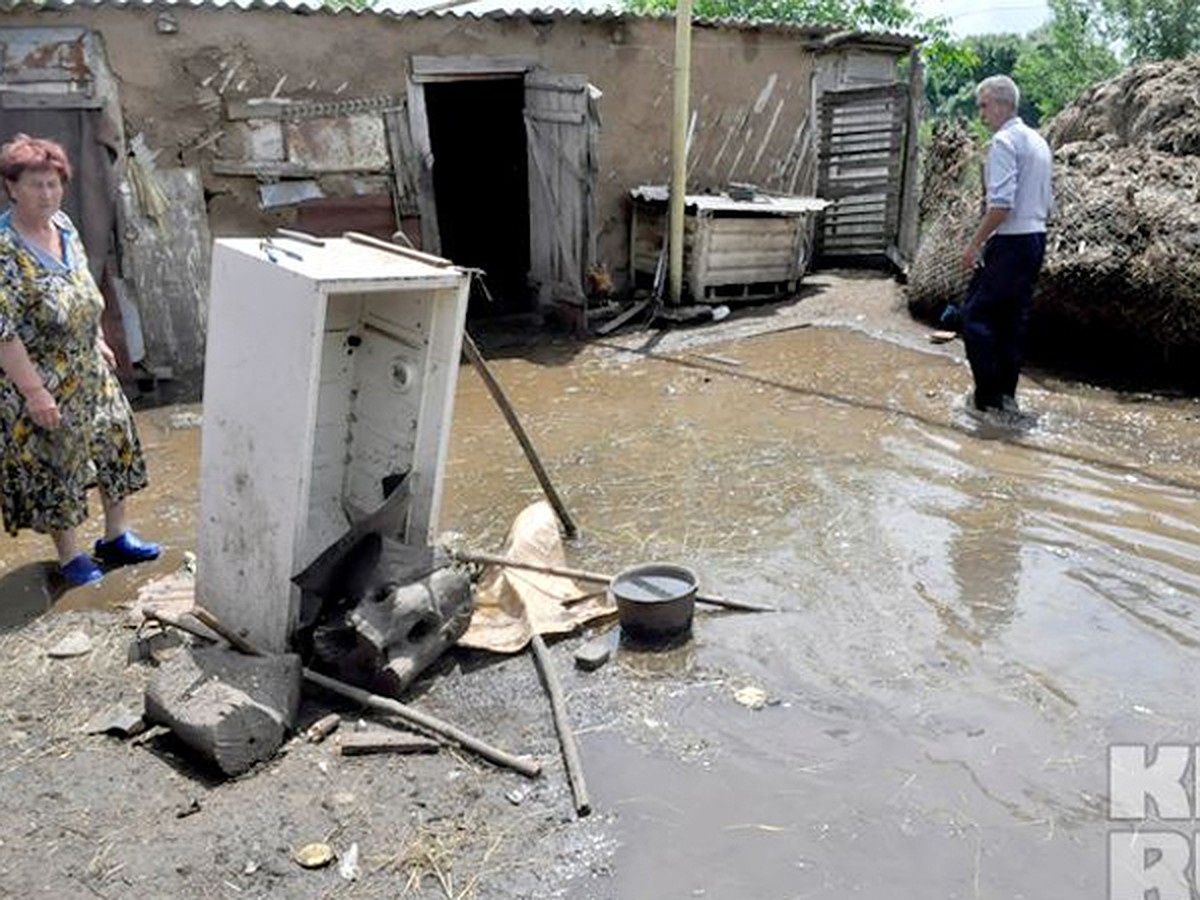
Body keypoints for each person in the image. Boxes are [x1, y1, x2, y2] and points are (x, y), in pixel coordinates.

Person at [0, 134, 159, 586]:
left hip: (87, 366)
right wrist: (34, 392)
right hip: (40, 376)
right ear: (12, 187)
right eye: (35, 185)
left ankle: (115, 537)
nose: (47, 193)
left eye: (53, 184)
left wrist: (97, 337)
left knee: (115, 444)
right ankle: (70, 557)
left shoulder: (64, 226)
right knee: (58, 464)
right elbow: (2, 331)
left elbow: (81, 287)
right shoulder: (4, 250)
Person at [960, 75, 1053, 414]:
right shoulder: (1038, 141)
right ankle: (1007, 397)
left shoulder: (1003, 141)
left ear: (1001, 104)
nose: (981, 114)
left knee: (976, 316)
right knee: (1012, 321)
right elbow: (1046, 200)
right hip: (1035, 238)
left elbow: (1001, 205)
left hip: (1011, 240)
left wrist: (974, 245)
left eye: (984, 106)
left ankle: (988, 399)